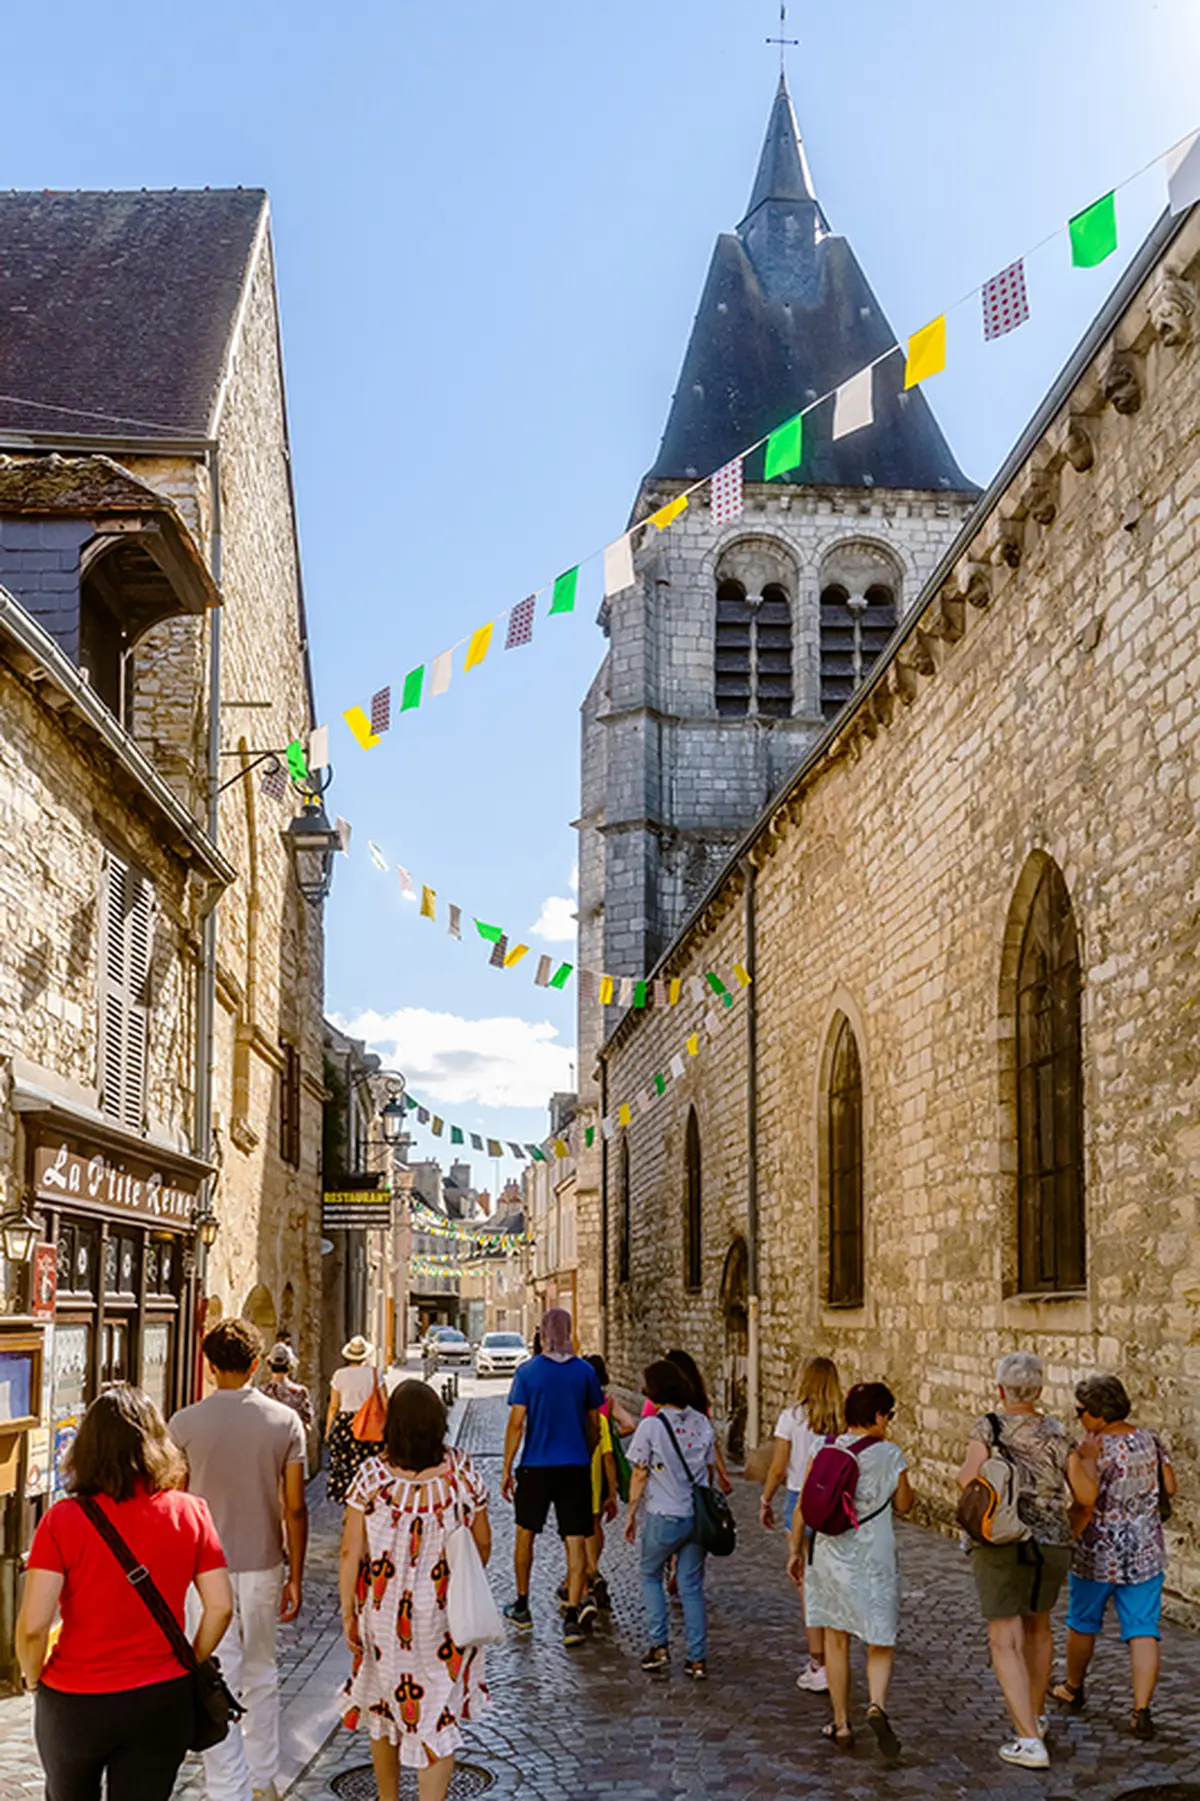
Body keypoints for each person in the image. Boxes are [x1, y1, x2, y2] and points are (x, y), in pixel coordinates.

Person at [15, 1385, 234, 1801]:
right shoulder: (190, 1512)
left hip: (74, 1699)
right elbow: (221, 1606)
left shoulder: (62, 1520)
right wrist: (190, 1659)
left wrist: (33, 1678)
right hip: (160, 1695)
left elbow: (34, 1625)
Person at [171, 1318, 308, 1801]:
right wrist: (296, 1574)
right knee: (261, 1671)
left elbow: (176, 1502)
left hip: (203, 1569)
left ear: (209, 1366)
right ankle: (262, 1779)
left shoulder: (183, 1425)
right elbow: (295, 1507)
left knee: (214, 1675)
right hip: (264, 1560)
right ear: (255, 1365)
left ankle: (226, 1786)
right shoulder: (284, 1422)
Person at [339, 1380, 492, 1801]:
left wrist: (348, 1611)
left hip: (384, 1617)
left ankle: (388, 1798)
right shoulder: (462, 1473)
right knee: (437, 1714)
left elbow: (351, 1551)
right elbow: (483, 1542)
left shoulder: (371, 1477)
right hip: (446, 1618)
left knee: (383, 1707)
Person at [956, 1351, 1076, 1771]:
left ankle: (1028, 1740)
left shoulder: (987, 1427)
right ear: (1039, 1389)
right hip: (1051, 1541)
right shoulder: (1059, 1432)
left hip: (1002, 1540)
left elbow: (968, 1478)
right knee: (1039, 1628)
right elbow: (1082, 1489)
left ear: (1000, 1389)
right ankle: (1036, 1716)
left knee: (1003, 1637)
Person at [789, 1380, 913, 1760]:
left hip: (830, 1554)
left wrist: (794, 1550)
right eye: (888, 1415)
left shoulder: (824, 1448)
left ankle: (841, 1722)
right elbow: (905, 1505)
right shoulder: (890, 1454)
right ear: (877, 1416)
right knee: (879, 1638)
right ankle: (876, 1705)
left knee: (836, 1637)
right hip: (874, 1556)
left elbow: (803, 1505)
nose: (889, 1422)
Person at [1051, 1373, 1177, 1738]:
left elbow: (1085, 1499)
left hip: (1097, 1551)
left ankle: (1073, 1687)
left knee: (1083, 1621)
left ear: (1097, 1413)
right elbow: (1170, 1486)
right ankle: (1141, 1709)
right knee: (1143, 1628)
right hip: (1145, 1551)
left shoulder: (1088, 1449)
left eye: (1080, 1411)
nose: (1078, 1417)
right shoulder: (1150, 1439)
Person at [499, 1307, 602, 1646]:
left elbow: (517, 1423)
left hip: (536, 1465)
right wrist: (586, 1451)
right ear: (569, 1332)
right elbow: (593, 1423)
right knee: (575, 1538)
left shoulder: (527, 1373)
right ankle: (572, 1615)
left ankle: (522, 1604)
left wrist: (506, 1468)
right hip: (575, 1465)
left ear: (543, 1334)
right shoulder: (585, 1372)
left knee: (525, 1533)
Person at [625, 1358, 717, 1680]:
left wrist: (631, 1513)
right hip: (695, 1516)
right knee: (691, 1586)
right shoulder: (702, 1423)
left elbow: (640, 1473)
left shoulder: (651, 1426)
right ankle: (697, 1658)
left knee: (650, 1574)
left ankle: (659, 1644)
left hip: (664, 1513)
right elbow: (708, 1470)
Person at [761, 1354, 843, 1692]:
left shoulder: (791, 1418)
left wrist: (766, 1498)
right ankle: (835, 1656)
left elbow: (779, 1467)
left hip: (800, 1499)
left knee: (807, 1586)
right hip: (833, 1502)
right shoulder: (841, 1420)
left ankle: (818, 1661)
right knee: (829, 1583)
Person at [327, 1335, 383, 1505]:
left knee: (346, 1466)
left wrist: (328, 1429)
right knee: (370, 1464)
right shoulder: (375, 1373)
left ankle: (348, 1502)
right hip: (370, 1423)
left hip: (345, 1425)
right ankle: (369, 1499)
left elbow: (334, 1406)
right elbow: (385, 1401)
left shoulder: (339, 1375)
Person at [260, 1342, 315, 1433]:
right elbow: (307, 1427)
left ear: (270, 1365)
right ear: (290, 1365)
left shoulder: (261, 1393)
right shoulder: (300, 1392)